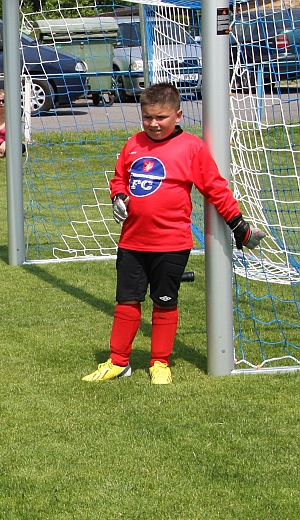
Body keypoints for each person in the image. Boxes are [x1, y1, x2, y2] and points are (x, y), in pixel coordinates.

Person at [83, 83, 262, 385]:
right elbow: (119, 178)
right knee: (126, 301)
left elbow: (215, 189)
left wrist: (239, 226)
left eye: (161, 117)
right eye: (147, 117)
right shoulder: (134, 144)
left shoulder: (191, 148)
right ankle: (118, 361)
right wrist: (118, 197)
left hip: (171, 243)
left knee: (164, 301)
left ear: (178, 115)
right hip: (132, 242)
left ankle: (160, 362)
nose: (153, 124)